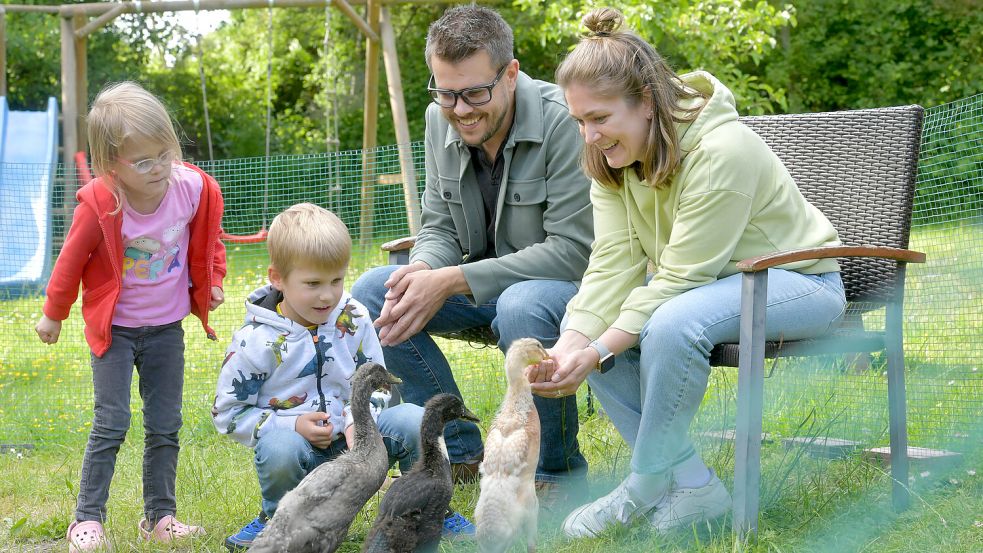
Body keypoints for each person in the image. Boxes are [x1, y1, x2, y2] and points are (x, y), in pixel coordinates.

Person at [529, 8, 848, 538]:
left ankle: (645, 482)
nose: (588, 135)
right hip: (713, 286)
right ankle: (694, 483)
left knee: (669, 322)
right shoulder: (610, 160)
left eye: (600, 118)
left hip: (800, 283)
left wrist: (598, 350)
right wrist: (572, 343)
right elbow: (613, 261)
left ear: (648, 103)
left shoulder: (724, 150)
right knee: (612, 328)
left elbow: (680, 279)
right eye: (579, 120)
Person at [350, 4, 594, 505]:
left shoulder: (564, 119)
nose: (460, 110)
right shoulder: (438, 120)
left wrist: (452, 280)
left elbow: (573, 252)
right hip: (484, 289)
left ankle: (558, 469)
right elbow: (438, 226)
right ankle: (459, 453)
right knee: (377, 290)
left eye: (475, 93)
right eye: (446, 93)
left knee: (521, 306)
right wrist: (422, 269)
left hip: (560, 296)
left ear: (510, 74)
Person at [35, 81, 226, 551]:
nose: (160, 167)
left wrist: (214, 280)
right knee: (112, 422)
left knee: (165, 424)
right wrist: (53, 314)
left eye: (166, 152)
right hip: (116, 333)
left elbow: (210, 243)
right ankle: (88, 517)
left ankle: (160, 516)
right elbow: (70, 262)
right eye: (144, 161)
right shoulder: (102, 204)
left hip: (166, 330)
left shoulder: (191, 190)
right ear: (109, 165)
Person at [214, 203, 470, 550]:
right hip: (300, 446)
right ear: (278, 278)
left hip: (362, 442)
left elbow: (379, 385)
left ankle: (427, 508)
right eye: (313, 283)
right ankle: (277, 521)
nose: (327, 295)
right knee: (278, 448)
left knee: (413, 419)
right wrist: (293, 425)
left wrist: (357, 419)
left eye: (337, 280)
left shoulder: (354, 317)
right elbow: (229, 414)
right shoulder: (255, 340)